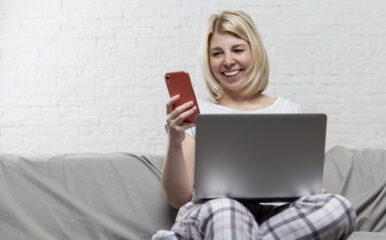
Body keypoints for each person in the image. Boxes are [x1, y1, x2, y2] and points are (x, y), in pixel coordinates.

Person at [153, 10, 356, 240]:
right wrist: (174, 141)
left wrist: (308, 193)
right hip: (212, 211)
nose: (228, 60)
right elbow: (178, 198)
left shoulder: (289, 110)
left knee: (338, 208)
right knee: (228, 211)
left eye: (238, 50)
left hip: (274, 215)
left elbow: (297, 182)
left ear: (255, 52)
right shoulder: (196, 112)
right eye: (217, 53)